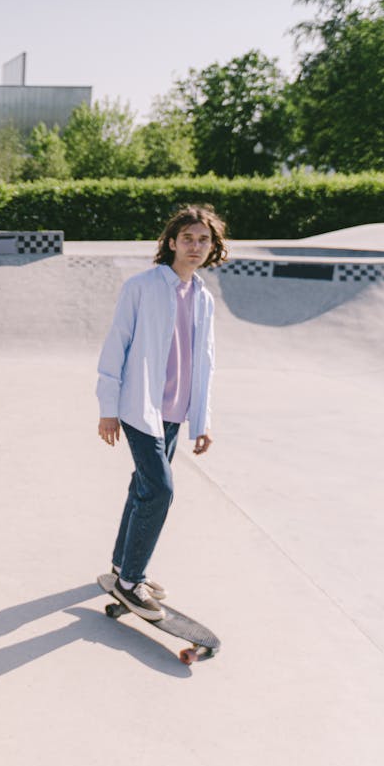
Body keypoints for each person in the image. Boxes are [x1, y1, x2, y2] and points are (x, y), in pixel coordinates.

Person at [96, 204, 228, 621]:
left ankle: (121, 564)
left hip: (175, 412)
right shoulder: (143, 286)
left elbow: (203, 361)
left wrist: (201, 419)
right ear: (171, 242)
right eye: (187, 238)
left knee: (143, 487)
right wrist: (108, 408)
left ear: (212, 246)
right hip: (140, 408)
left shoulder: (203, 298)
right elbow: (116, 344)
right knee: (160, 491)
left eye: (203, 240)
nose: (195, 246)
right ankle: (131, 581)